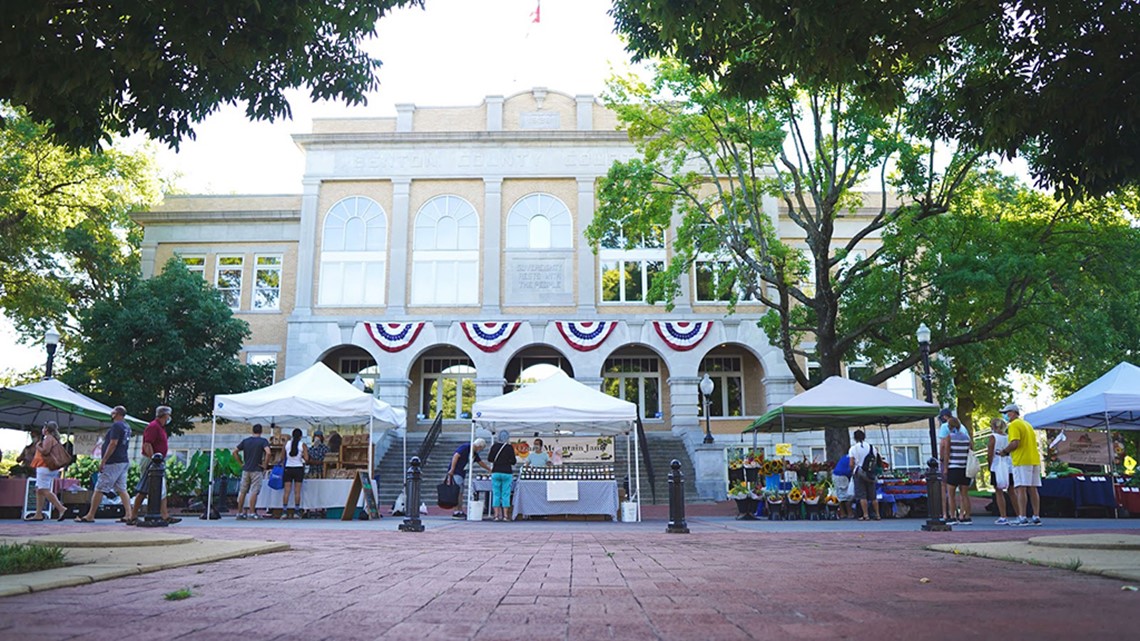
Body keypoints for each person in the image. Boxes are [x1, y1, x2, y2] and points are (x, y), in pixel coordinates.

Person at [77, 406, 133, 523]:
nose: (111, 413)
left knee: (100, 488)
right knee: (122, 488)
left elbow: (113, 443)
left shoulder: (117, 426)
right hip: (123, 460)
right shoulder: (127, 426)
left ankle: (90, 515)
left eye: (113, 411)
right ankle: (129, 514)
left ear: (116, 413)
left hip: (113, 461)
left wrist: (104, 460)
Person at [127, 406, 180, 525]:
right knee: (144, 488)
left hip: (157, 461)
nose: (169, 418)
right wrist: (154, 459)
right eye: (168, 415)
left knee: (161, 488)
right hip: (151, 461)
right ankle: (133, 515)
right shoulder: (153, 427)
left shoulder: (160, 427)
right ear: (164, 415)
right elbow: (147, 444)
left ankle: (164, 515)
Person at [998, 403, 1042, 526]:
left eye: (1006, 413)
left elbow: (1015, 442)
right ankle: (1036, 515)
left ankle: (1022, 516)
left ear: (1012, 413)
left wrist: (1004, 451)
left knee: (1021, 488)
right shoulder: (1027, 425)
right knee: (1033, 489)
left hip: (1021, 460)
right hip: (1034, 459)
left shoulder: (1014, 425)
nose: (1005, 416)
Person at [26, 422, 69, 521]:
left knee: (43, 490)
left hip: (44, 466)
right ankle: (38, 513)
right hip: (46, 467)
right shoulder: (52, 439)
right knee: (39, 490)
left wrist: (38, 447)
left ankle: (61, 508)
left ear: (46, 429)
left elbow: (45, 451)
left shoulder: (48, 438)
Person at [446, 438, 491, 519]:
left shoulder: (474, 453)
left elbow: (480, 462)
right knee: (457, 491)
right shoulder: (466, 447)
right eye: (481, 448)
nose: (481, 450)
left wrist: (489, 469)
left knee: (460, 492)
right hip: (457, 471)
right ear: (479, 446)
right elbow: (456, 456)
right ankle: (456, 511)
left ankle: (459, 510)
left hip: (461, 472)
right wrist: (452, 469)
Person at [234, 423, 271, 520]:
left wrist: (241, 463)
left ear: (252, 431)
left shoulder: (246, 441)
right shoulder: (263, 441)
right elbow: (268, 452)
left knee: (243, 491)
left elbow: (235, 451)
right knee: (254, 491)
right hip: (256, 469)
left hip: (246, 469)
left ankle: (239, 512)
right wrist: (265, 465)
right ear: (261, 431)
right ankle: (252, 512)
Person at [940, 416, 973, 525]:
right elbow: (970, 451)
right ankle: (966, 516)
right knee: (964, 494)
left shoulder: (950, 437)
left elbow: (947, 453)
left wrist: (945, 468)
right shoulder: (966, 437)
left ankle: (952, 516)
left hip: (953, 467)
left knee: (951, 494)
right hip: (965, 468)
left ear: (950, 426)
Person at [848, 429, 881, 520]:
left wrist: (852, 470)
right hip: (870, 473)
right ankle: (877, 514)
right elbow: (876, 460)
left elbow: (851, 463)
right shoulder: (872, 447)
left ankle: (865, 515)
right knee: (873, 496)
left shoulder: (853, 448)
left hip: (858, 472)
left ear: (855, 438)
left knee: (862, 495)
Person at [987, 417, 1014, 525]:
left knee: (999, 491)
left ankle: (1003, 515)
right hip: (1008, 464)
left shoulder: (993, 437)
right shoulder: (1008, 437)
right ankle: (1020, 514)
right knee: (1012, 490)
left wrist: (989, 464)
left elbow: (990, 453)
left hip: (997, 464)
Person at [488, 430, 518, 522]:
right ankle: (505, 516)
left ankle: (496, 516)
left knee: (496, 494)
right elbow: (513, 461)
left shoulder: (494, 446)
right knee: (506, 494)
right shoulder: (509, 447)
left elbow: (490, 459)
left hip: (496, 471)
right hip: (507, 472)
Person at [279, 428, 308, 519]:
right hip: (298, 468)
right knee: (297, 491)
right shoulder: (302, 445)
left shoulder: (286, 444)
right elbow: (306, 458)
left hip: (288, 468)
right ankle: (296, 511)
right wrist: (302, 456)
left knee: (286, 491)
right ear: (300, 436)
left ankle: (284, 511)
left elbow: (282, 457)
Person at [831, 453, 855, 519]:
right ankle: (850, 513)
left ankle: (843, 513)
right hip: (843, 476)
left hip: (835, 475)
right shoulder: (853, 458)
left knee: (840, 496)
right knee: (848, 496)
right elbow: (851, 468)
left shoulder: (845, 457)